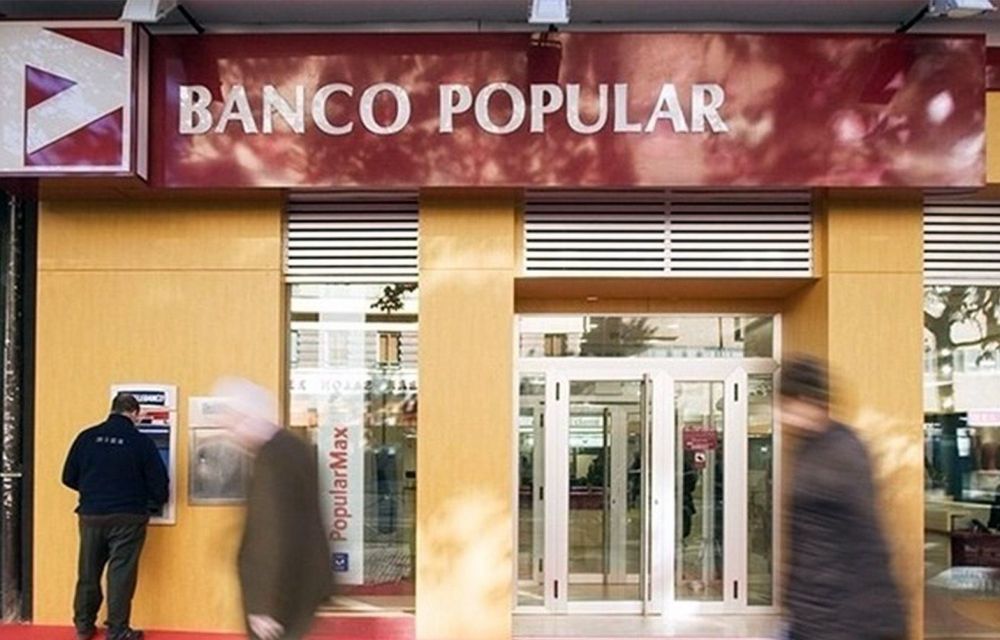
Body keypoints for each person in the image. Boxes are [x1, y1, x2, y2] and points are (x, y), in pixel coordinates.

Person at [780, 355, 907, 640]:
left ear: (808, 399)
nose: (782, 414)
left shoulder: (842, 453)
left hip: (841, 617)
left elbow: (867, 538)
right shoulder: (807, 447)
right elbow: (805, 536)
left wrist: (876, 618)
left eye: (787, 404)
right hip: (812, 611)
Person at [213, 377, 332, 640]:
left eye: (231, 419)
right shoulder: (294, 447)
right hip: (301, 579)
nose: (228, 430)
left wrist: (264, 606)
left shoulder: (271, 459)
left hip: (280, 593)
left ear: (247, 416)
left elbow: (271, 534)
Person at [62, 393, 169, 640]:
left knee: (88, 571)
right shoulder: (141, 442)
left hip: (91, 516)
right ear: (135, 413)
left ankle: (83, 625)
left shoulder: (86, 437)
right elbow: (159, 484)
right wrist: (154, 501)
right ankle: (118, 630)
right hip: (128, 517)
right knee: (121, 573)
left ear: (112, 409)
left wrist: (94, 492)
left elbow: (68, 477)